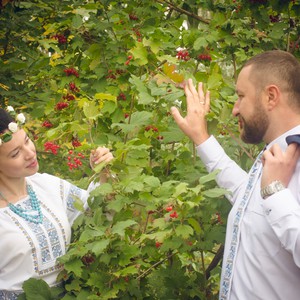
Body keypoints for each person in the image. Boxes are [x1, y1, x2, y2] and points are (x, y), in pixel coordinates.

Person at [171, 50, 300, 300]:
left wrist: (274, 192)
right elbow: (247, 197)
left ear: (270, 96)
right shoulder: (275, 153)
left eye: (241, 96)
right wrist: (201, 137)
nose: (234, 109)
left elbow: (272, 199)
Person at [0, 107, 113, 299]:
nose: (30, 153)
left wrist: (104, 174)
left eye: (27, 140)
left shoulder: (46, 185)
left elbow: (95, 212)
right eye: (15, 153)